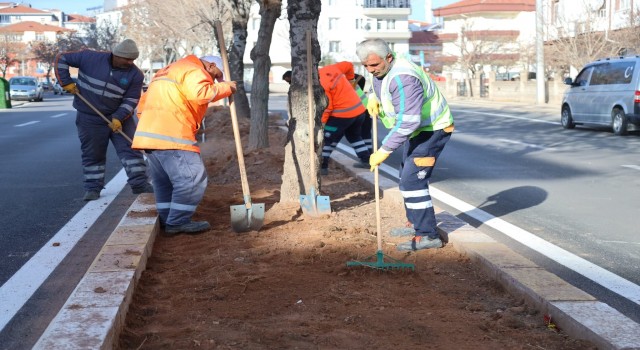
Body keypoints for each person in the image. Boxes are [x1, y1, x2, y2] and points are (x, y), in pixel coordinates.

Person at [355, 39, 454, 251]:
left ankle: (428, 235)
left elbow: (409, 121)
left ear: (388, 58)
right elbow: (378, 83)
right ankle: (416, 224)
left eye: (374, 65)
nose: (370, 70)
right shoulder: (383, 70)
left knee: (412, 180)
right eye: (366, 66)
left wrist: (383, 150)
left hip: (432, 129)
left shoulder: (404, 78)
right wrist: (372, 96)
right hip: (418, 130)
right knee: (406, 176)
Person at [132, 55, 237, 235]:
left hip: (150, 136)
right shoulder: (194, 70)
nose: (213, 80)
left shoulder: (168, 70)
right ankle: (178, 222)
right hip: (171, 135)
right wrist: (227, 87)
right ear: (211, 66)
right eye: (215, 76)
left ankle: (167, 219)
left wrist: (152, 128)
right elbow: (200, 94)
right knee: (192, 178)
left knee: (164, 182)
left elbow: (142, 105)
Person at [55, 39, 153, 201]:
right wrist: (66, 82)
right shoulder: (89, 57)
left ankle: (139, 184)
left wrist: (118, 118)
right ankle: (93, 188)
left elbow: (131, 100)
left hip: (121, 117)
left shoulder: (135, 74)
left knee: (131, 149)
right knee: (93, 153)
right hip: (90, 116)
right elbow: (61, 58)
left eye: (133, 60)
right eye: (127, 59)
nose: (130, 63)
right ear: (116, 55)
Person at [319, 61, 371, 175]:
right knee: (354, 136)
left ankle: (322, 166)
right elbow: (348, 64)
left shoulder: (321, 84)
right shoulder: (331, 68)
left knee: (326, 139)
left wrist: (322, 123)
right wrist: (350, 79)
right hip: (359, 111)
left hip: (341, 115)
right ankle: (366, 159)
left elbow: (328, 107)